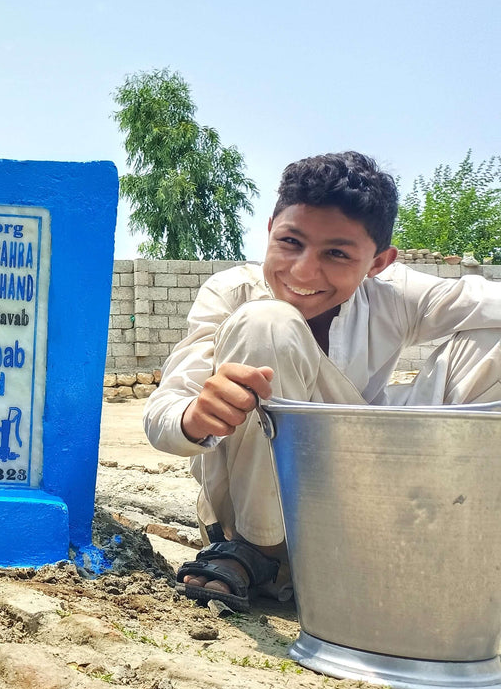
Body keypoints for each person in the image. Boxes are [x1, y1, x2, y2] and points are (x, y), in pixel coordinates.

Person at [144, 151, 501, 612]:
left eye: (336, 253)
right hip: (256, 517)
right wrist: (194, 417)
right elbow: (162, 412)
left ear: (378, 262)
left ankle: (441, 532)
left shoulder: (393, 297)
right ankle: (261, 552)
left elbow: (487, 301)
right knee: (268, 321)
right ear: (270, 229)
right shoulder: (233, 292)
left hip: (362, 496)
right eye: (291, 242)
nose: (304, 271)